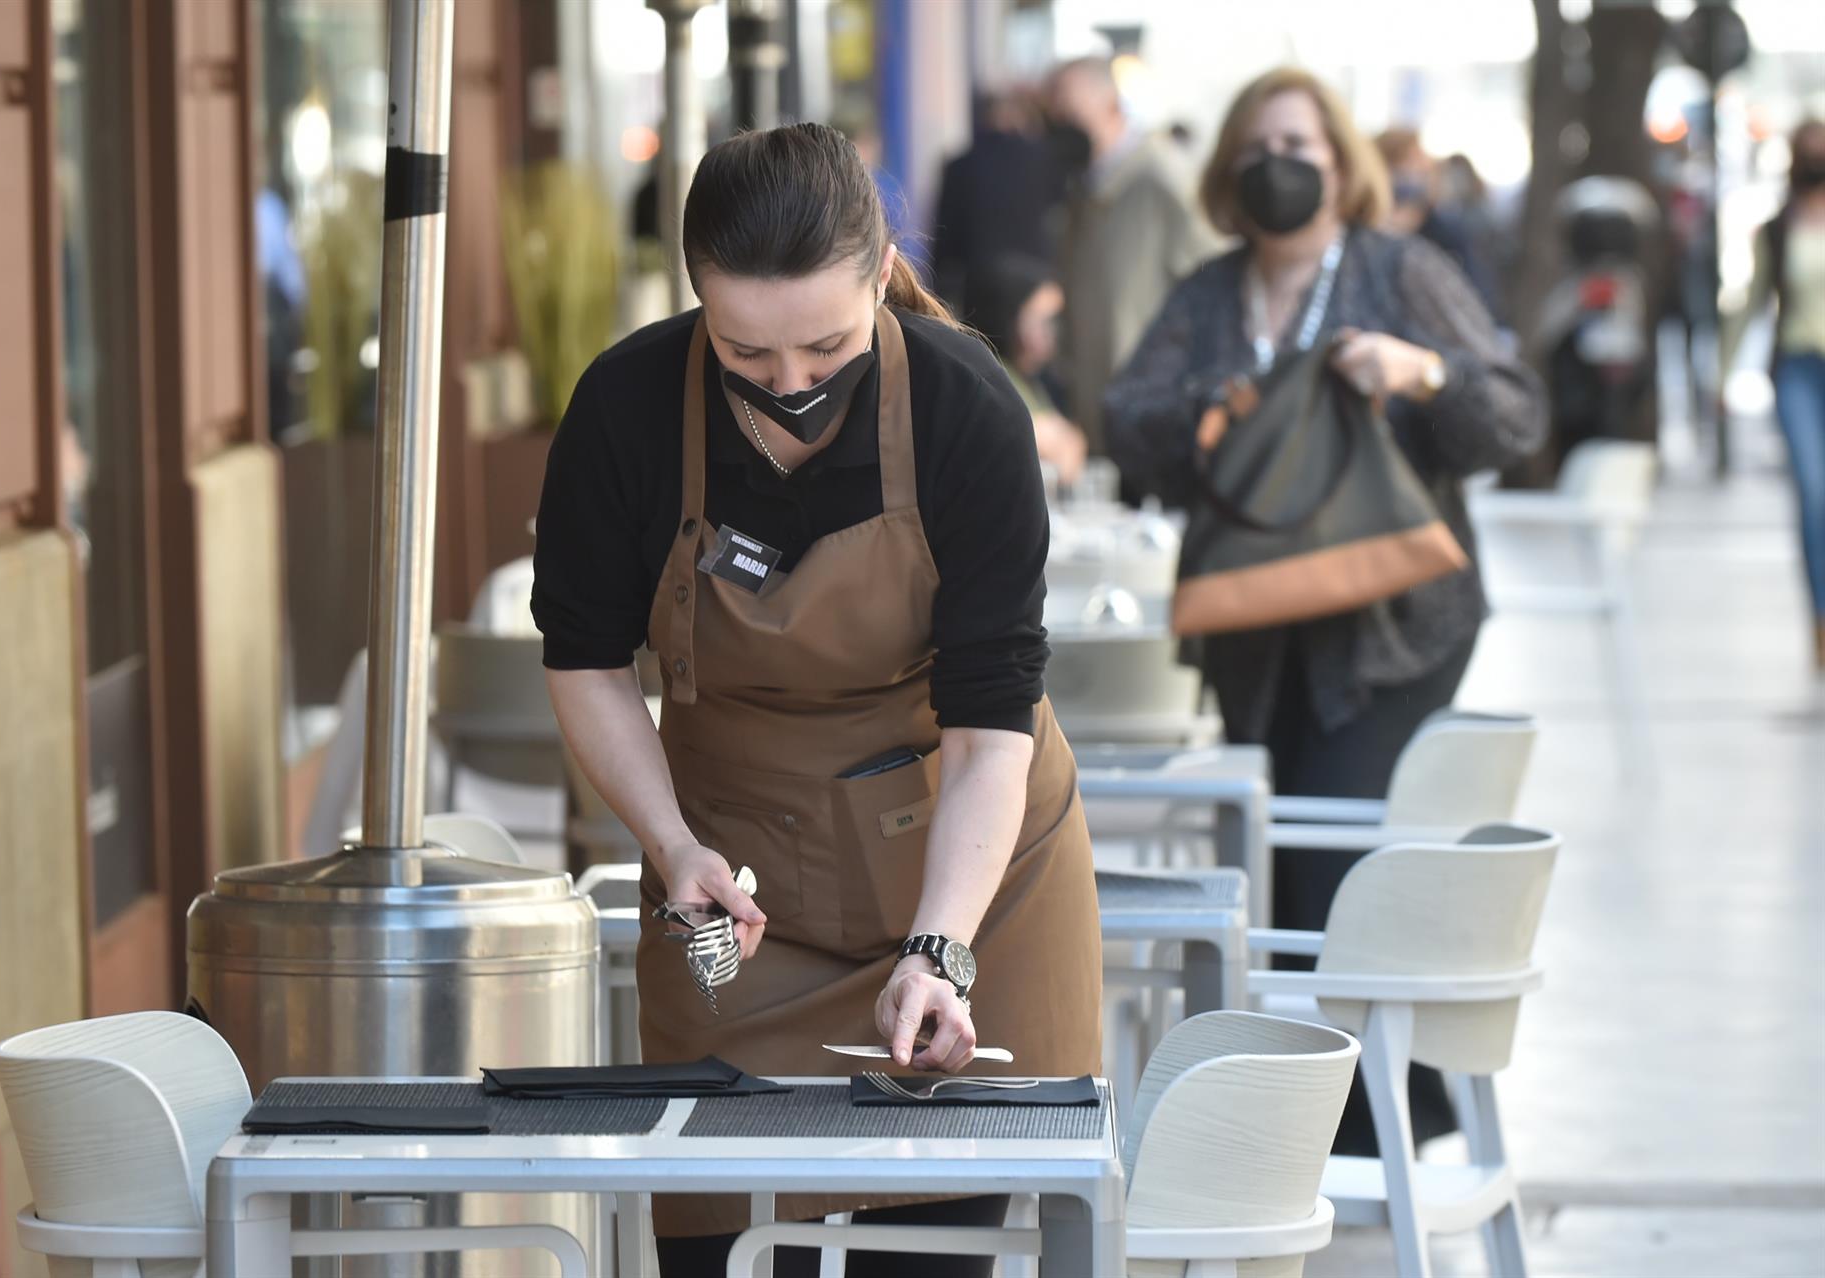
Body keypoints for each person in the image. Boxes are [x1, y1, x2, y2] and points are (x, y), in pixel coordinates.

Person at [531, 122, 1102, 1277]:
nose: (791, 385)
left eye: (826, 348)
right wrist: (671, 843)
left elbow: (991, 728)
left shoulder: (965, 408)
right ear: (695, 298)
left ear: (885, 266)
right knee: (715, 1227)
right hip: (732, 880)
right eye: (747, 358)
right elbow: (587, 664)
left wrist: (940, 950)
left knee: (938, 1238)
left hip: (969, 855)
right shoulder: (627, 409)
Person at [1104, 67, 1547, 1152]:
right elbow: (1125, 420)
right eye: (1258, 145)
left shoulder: (1403, 272)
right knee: (1280, 859)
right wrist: (1209, 413)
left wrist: (1421, 375)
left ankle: (1381, 1117)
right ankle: (1342, 1112)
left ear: (1341, 164)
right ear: (1226, 172)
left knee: (1336, 857)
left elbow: (1515, 418)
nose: (1280, 164)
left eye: (1300, 144)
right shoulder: (1211, 296)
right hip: (1257, 632)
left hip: (1398, 626)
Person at [1046, 56, 1221, 454]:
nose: (1060, 127)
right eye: (1053, 115)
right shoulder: (1082, 188)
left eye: (1070, 113)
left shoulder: (1163, 177)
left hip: (1152, 417)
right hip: (1097, 410)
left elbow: (1214, 275)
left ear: (1110, 105)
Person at [1733, 120, 1825, 672]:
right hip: (1796, 368)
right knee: (1815, 494)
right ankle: (1820, 615)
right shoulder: (1779, 226)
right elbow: (1750, 300)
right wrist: (1724, 372)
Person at [959, 254, 1088, 488]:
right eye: (1040, 321)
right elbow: (1041, 439)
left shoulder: (1035, 381)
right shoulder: (985, 379)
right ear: (1006, 317)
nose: (1051, 333)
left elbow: (1073, 444)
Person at [930, 91, 1060, 314]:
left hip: (980, 277)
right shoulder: (1044, 158)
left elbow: (945, 231)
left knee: (986, 343)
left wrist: (940, 289)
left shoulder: (961, 164)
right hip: (1035, 278)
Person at [1375, 128, 1504, 322]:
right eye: (1402, 167)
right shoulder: (1364, 233)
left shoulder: (1448, 233)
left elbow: (1480, 296)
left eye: (1420, 170)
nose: (1411, 176)